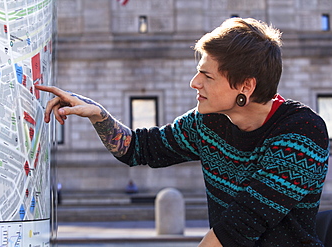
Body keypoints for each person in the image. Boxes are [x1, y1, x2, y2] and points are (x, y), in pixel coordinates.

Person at [36, 17, 330, 246]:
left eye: (207, 75)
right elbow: (138, 148)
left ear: (245, 86)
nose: (194, 82)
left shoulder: (302, 133)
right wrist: (98, 114)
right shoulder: (209, 122)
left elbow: (238, 229)